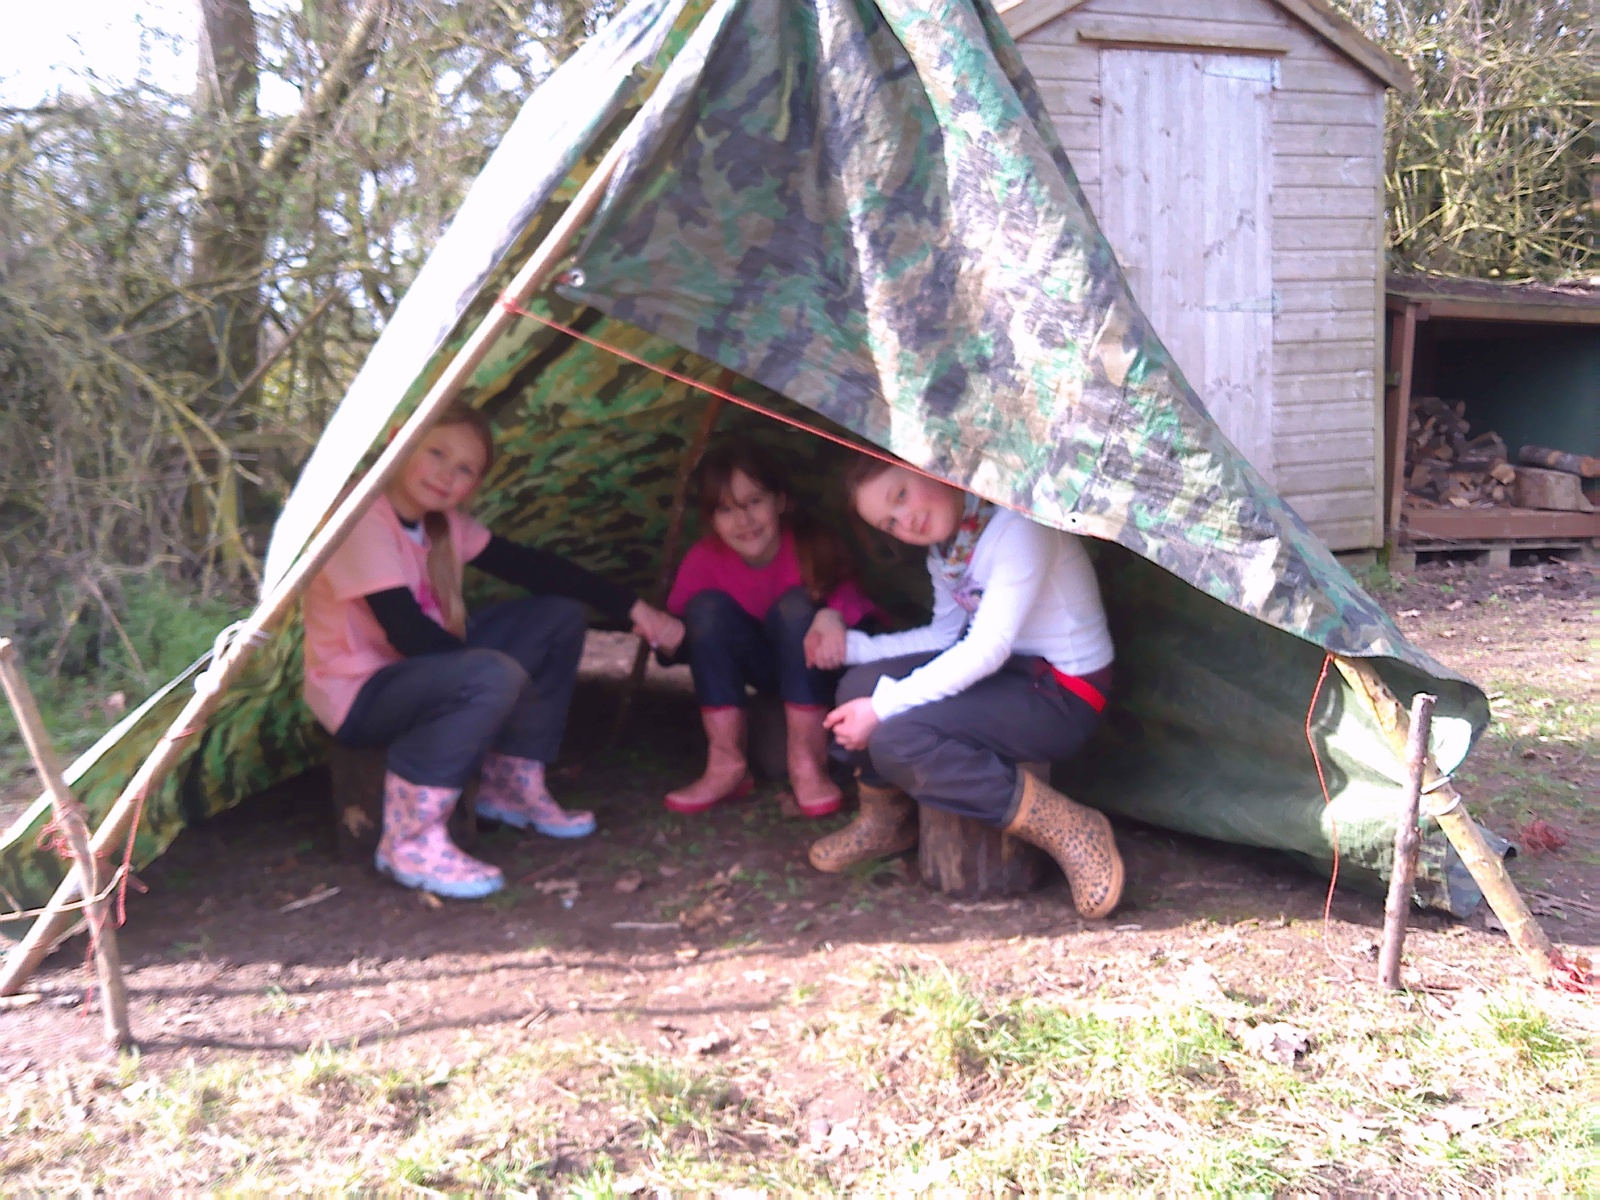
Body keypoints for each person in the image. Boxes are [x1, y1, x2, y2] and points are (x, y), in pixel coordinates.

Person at [301, 402, 680, 900]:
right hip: (361, 695)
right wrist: (497, 680)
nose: (446, 475)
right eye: (436, 453)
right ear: (399, 440)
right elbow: (407, 633)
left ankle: (510, 784)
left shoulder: (442, 525)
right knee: (490, 674)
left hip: (419, 673)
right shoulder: (360, 517)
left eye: (465, 470)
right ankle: (409, 840)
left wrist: (635, 609)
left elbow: (536, 568)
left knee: (559, 616)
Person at [808, 455, 1123, 919]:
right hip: (1010, 675)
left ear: (932, 466)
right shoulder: (951, 551)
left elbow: (985, 649)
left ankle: (1070, 827)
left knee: (898, 737)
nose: (905, 520)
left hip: (1063, 694)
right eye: (889, 522)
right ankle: (888, 820)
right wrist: (851, 649)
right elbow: (944, 638)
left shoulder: (1019, 525)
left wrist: (881, 708)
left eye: (901, 495)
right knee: (859, 685)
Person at [653, 441, 882, 817]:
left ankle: (807, 764)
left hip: (815, 669)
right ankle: (725, 764)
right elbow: (680, 642)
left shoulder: (813, 544)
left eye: (754, 502)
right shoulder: (703, 560)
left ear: (780, 501)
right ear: (711, 519)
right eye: (726, 509)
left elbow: (860, 610)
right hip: (762, 668)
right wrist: (664, 638)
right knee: (705, 610)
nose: (743, 521)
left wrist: (831, 614)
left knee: (797, 607)